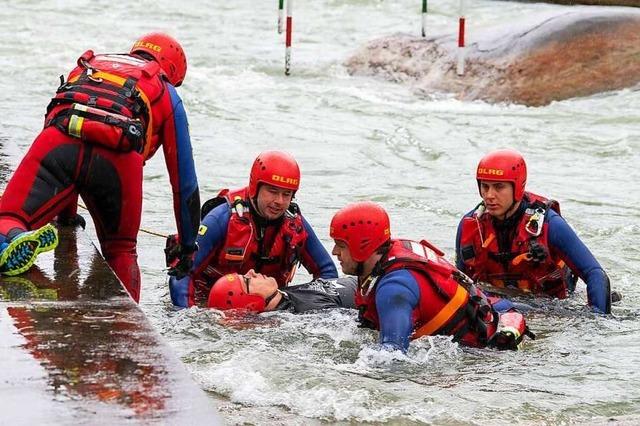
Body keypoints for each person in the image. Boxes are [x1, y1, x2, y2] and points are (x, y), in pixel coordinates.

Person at [0, 33, 200, 302]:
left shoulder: (89, 65)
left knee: (8, 216)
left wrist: (66, 216)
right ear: (173, 71)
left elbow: (54, 115)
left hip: (61, 140)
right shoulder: (167, 92)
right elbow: (184, 183)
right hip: (118, 160)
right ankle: (125, 325)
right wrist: (187, 248)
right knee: (121, 250)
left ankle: (12, 237)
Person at [328, 201, 532, 353]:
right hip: (493, 308)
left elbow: (392, 357)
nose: (335, 251)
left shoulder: (393, 289)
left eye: (341, 245)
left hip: (484, 349)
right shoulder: (386, 260)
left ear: (362, 246)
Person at [169, 151, 338, 307]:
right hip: (214, 306)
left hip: (265, 308)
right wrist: (189, 317)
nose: (279, 201)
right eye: (272, 191)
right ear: (255, 187)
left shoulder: (294, 223)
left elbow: (327, 272)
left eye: (286, 194)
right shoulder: (220, 219)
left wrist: (301, 305)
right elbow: (182, 273)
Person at [455, 149, 611, 314]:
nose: (489, 195)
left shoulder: (550, 225)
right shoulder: (471, 225)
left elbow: (595, 274)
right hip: (498, 304)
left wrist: (596, 321)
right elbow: (462, 282)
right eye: (484, 187)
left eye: (499, 187)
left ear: (517, 188)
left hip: (552, 307)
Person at [206, 270, 357, 313]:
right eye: (247, 280)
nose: (251, 272)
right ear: (252, 303)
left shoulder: (283, 295)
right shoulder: (308, 312)